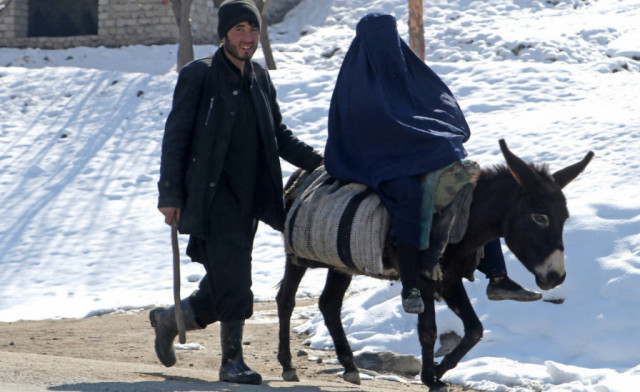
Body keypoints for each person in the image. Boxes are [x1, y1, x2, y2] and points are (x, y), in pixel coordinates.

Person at [150, 0, 323, 385]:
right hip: (211, 197)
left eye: (253, 30)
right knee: (236, 279)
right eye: (240, 29)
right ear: (224, 33)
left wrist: (322, 163)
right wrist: (170, 194)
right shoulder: (200, 75)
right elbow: (176, 137)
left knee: (222, 284)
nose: (247, 38)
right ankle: (232, 362)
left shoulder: (260, 77)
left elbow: (279, 136)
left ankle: (168, 319)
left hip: (251, 198)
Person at [324, 13, 538, 314]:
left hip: (419, 154)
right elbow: (364, 127)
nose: (385, 47)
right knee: (408, 196)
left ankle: (498, 277)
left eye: (389, 38)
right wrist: (408, 142)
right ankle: (410, 285)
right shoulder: (356, 81)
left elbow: (435, 105)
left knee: (472, 183)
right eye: (377, 40)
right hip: (376, 161)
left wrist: (435, 138)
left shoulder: (408, 72)